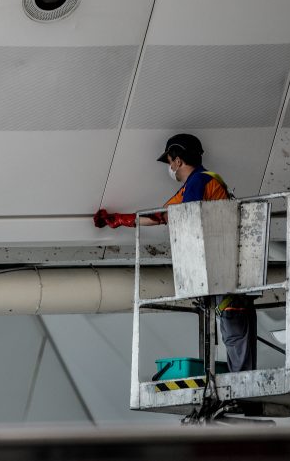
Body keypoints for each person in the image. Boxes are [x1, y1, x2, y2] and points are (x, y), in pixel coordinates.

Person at [93, 133, 257, 373]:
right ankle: (240, 385)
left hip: (225, 270)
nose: (170, 167)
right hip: (221, 272)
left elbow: (187, 216)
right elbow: (162, 215)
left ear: (178, 161)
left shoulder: (199, 182)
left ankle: (243, 389)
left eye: (170, 161)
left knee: (234, 333)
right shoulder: (195, 184)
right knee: (232, 331)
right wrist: (121, 220)